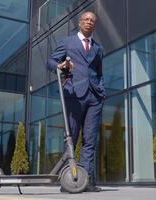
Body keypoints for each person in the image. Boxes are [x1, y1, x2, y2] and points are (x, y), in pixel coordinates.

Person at [47, 11, 104, 192]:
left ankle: (86, 182)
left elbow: (98, 73)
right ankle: (70, 181)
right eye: (86, 19)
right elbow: (50, 61)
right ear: (80, 23)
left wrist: (101, 91)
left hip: (94, 97)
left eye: (92, 21)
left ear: (94, 25)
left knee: (90, 140)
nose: (89, 22)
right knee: (72, 138)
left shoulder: (98, 49)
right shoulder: (67, 42)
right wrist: (60, 65)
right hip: (74, 95)